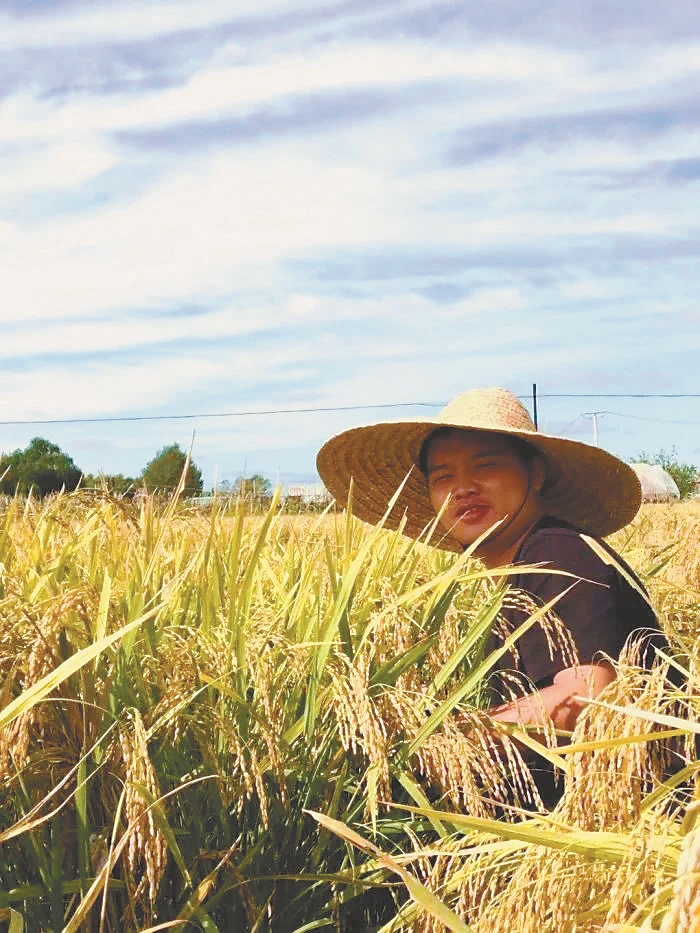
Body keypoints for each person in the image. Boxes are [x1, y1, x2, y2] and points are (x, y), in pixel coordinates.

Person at [316, 387, 663, 761]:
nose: (463, 489)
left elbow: (587, 697)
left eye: (486, 467)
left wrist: (436, 747)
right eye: (443, 477)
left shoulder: (553, 551)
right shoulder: (522, 569)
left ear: (535, 474)